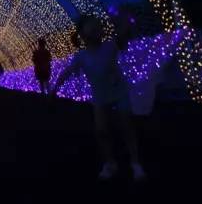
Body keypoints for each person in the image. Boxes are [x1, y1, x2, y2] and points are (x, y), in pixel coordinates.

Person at [51, 15, 146, 182]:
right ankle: (110, 163)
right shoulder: (82, 55)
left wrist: (125, 22)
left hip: (119, 92)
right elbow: (68, 70)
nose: (97, 32)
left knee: (126, 125)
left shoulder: (110, 46)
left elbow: (123, 38)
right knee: (101, 130)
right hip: (100, 97)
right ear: (83, 35)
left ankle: (135, 162)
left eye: (98, 28)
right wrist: (56, 85)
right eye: (92, 30)